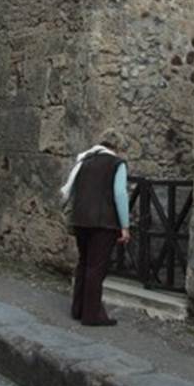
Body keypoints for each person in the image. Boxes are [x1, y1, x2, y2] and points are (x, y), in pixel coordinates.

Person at [60, 129, 130, 326]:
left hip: (80, 219)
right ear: (117, 147)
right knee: (96, 268)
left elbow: (73, 190)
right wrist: (125, 226)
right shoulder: (117, 164)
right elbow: (120, 194)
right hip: (104, 222)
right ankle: (92, 315)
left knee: (84, 263)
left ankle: (78, 309)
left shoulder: (84, 161)